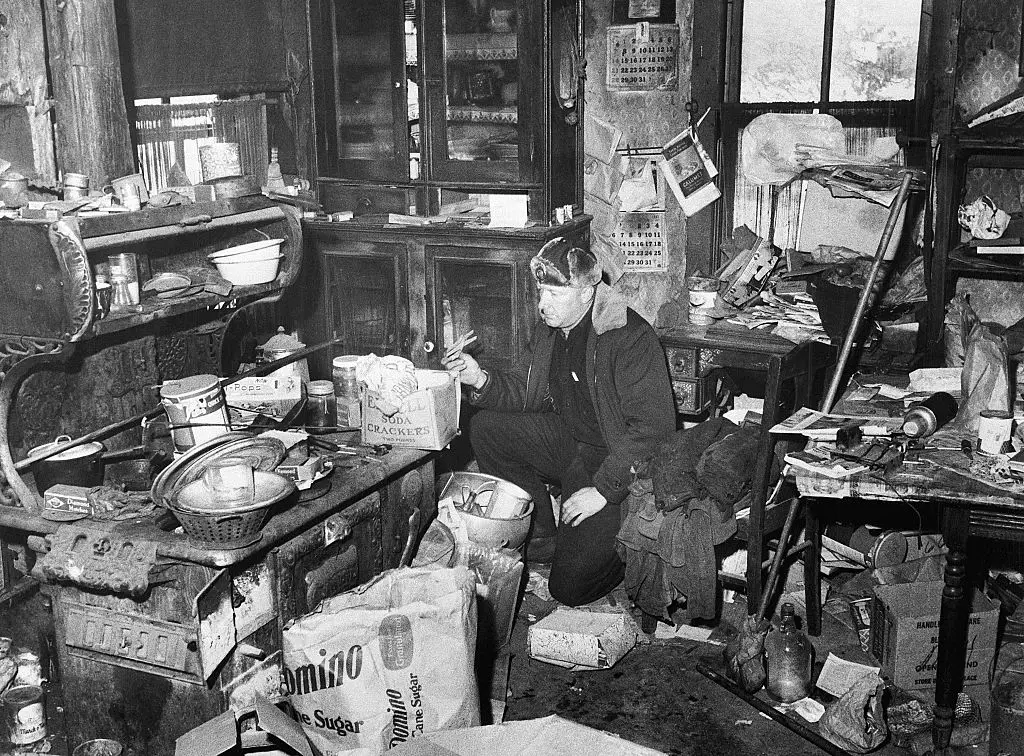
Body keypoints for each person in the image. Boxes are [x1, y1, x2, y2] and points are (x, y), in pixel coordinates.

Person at [442, 237, 675, 606]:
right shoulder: (552, 329)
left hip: (614, 462)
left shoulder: (629, 337)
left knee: (568, 588)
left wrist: (602, 492)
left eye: (553, 293)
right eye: (539, 291)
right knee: (486, 429)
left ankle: (627, 549)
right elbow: (525, 390)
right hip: (571, 445)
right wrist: (478, 378)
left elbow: (654, 431)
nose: (541, 305)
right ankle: (543, 533)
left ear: (587, 292)